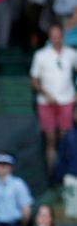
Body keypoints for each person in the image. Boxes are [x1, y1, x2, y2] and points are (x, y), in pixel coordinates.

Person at [30, 24, 77, 175]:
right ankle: (52, 177)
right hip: (46, 102)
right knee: (50, 139)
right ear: (49, 37)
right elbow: (34, 80)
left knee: (65, 139)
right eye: (53, 36)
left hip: (67, 100)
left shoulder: (71, 54)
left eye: (58, 36)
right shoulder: (40, 55)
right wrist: (45, 93)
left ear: (62, 37)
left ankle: (66, 174)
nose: (56, 39)